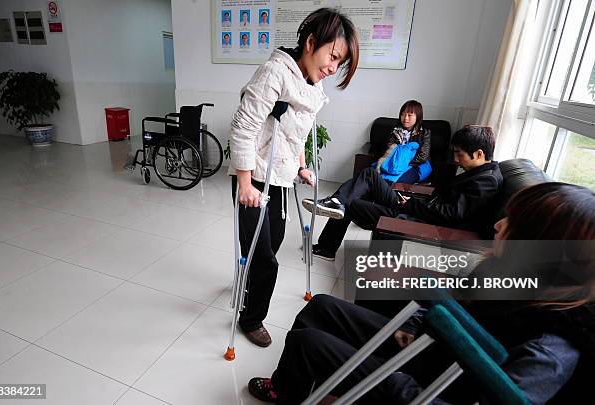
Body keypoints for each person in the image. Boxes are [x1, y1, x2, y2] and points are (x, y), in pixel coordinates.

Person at [247, 182, 595, 404]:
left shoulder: (553, 348)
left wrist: (397, 381)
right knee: (321, 307)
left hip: (426, 388)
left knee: (309, 343)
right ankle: (289, 389)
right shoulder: (508, 274)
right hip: (426, 350)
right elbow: (452, 306)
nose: (498, 225)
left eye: (513, 225)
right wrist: (414, 326)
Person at [228, 8, 359, 348]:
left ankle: (247, 278)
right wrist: (244, 182)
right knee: (264, 257)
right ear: (311, 42)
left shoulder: (312, 86)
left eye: (339, 63)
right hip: (254, 176)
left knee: (272, 242)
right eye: (332, 56)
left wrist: (301, 165)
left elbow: (296, 135)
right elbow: (244, 126)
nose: (332, 68)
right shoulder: (275, 73)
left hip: (281, 178)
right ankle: (252, 317)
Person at [307, 125, 502, 261]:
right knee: (368, 175)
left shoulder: (486, 182)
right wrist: (414, 199)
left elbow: (450, 215)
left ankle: (328, 244)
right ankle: (336, 201)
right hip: (416, 206)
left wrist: (410, 203)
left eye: (459, 154)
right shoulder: (481, 173)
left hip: (417, 219)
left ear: (479, 154)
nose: (456, 159)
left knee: (353, 203)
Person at [302, 99, 431, 221]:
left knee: (367, 177)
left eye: (409, 115)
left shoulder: (424, 133)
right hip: (390, 166)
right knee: (355, 182)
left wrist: (403, 161)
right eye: (403, 114)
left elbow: (422, 156)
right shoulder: (396, 131)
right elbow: (388, 152)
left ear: (418, 117)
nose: (405, 118)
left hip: (411, 168)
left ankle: (340, 202)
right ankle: (337, 201)